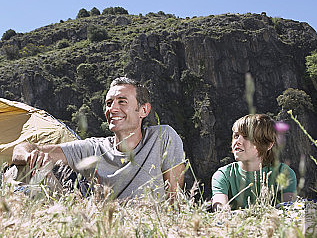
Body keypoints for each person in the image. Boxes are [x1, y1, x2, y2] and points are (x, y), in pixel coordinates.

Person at [12, 77, 186, 201]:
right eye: (109, 103)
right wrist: (31, 157)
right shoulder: (93, 148)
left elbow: (174, 198)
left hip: (151, 226)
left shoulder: (163, 137)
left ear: (143, 110)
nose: (113, 109)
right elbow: (21, 147)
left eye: (122, 101)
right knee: (21, 171)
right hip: (107, 226)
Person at [210, 114, 297, 211]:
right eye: (236, 135)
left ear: (268, 145)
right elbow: (220, 210)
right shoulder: (223, 175)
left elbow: (288, 210)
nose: (238, 141)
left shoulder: (283, 173)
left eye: (247, 137)